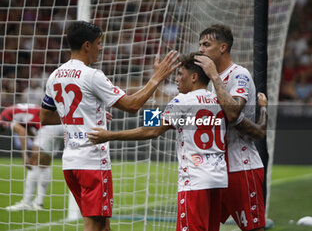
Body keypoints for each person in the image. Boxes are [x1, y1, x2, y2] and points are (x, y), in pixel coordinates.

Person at [87, 52, 268, 231]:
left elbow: (152, 129)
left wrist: (109, 135)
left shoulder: (182, 101)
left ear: (194, 77)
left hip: (195, 181)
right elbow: (257, 130)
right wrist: (264, 109)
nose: (177, 79)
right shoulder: (221, 101)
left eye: (180, 74)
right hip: (218, 180)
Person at [40, 21, 180, 231]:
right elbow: (132, 105)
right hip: (92, 162)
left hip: (70, 163)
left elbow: (45, 118)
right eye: (99, 42)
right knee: (94, 225)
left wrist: (83, 114)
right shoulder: (92, 75)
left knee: (103, 225)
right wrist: (157, 78)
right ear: (87, 45)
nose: (101, 47)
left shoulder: (55, 75)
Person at [195, 24, 266, 231]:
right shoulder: (208, 82)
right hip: (216, 169)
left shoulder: (238, 74)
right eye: (200, 45)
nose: (201, 49)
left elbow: (233, 112)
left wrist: (214, 76)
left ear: (223, 47)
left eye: (206, 44)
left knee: (253, 228)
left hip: (241, 166)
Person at [1, 103, 63, 211]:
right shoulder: (14, 110)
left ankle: (27, 202)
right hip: (58, 125)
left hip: (48, 127)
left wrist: (24, 155)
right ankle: (38, 203)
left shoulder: (4, 118)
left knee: (33, 163)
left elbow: (22, 131)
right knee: (43, 165)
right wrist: (38, 142)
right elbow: (29, 130)